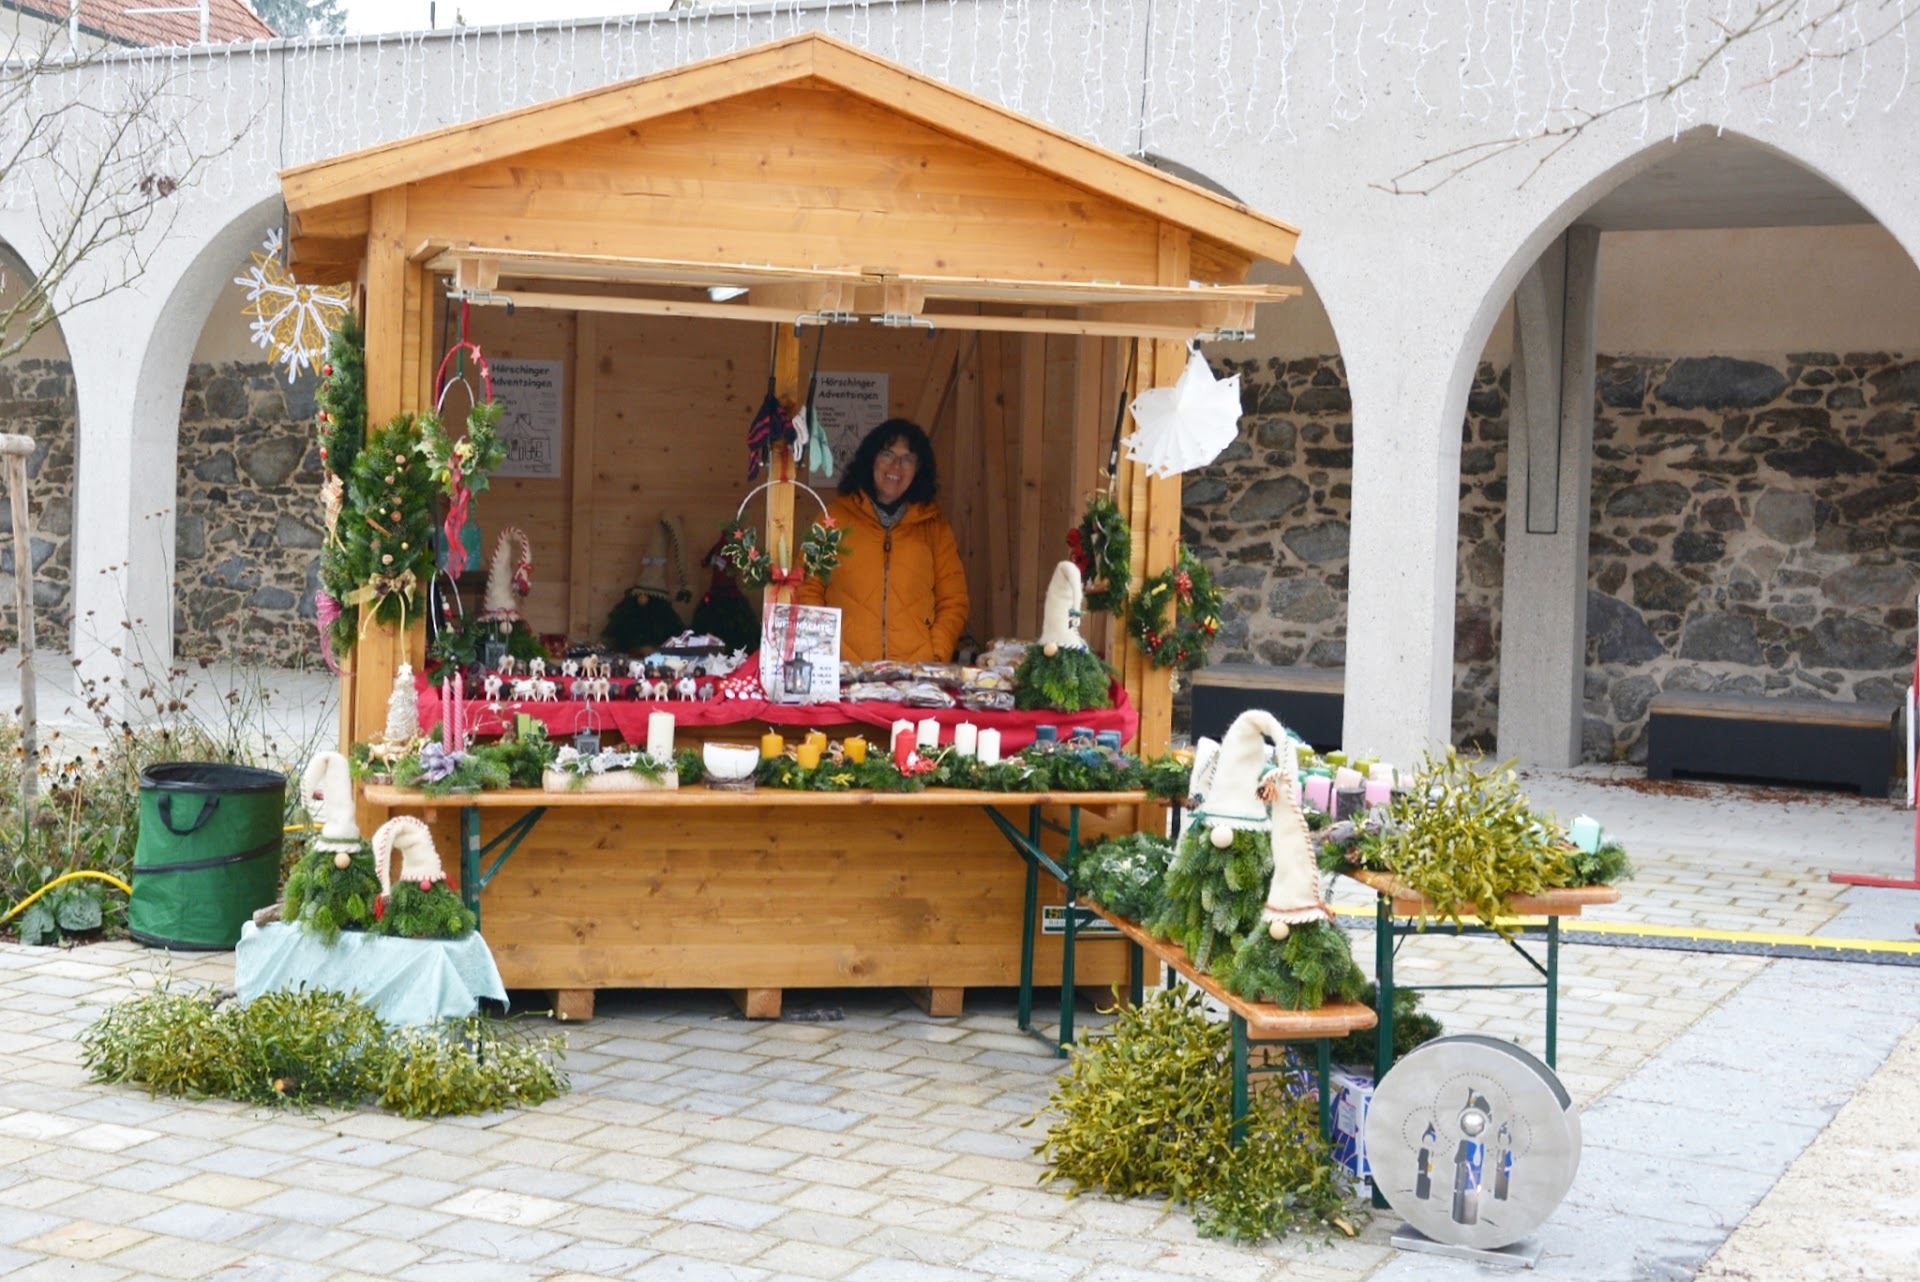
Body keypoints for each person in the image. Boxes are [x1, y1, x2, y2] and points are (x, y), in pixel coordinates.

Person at [796, 418, 969, 662]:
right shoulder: (833, 518)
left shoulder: (935, 527)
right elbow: (807, 586)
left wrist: (935, 655)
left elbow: (953, 600)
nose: (896, 467)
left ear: (919, 468)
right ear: (871, 460)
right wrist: (824, 652)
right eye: (887, 454)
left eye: (907, 459)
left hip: (915, 674)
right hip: (845, 670)